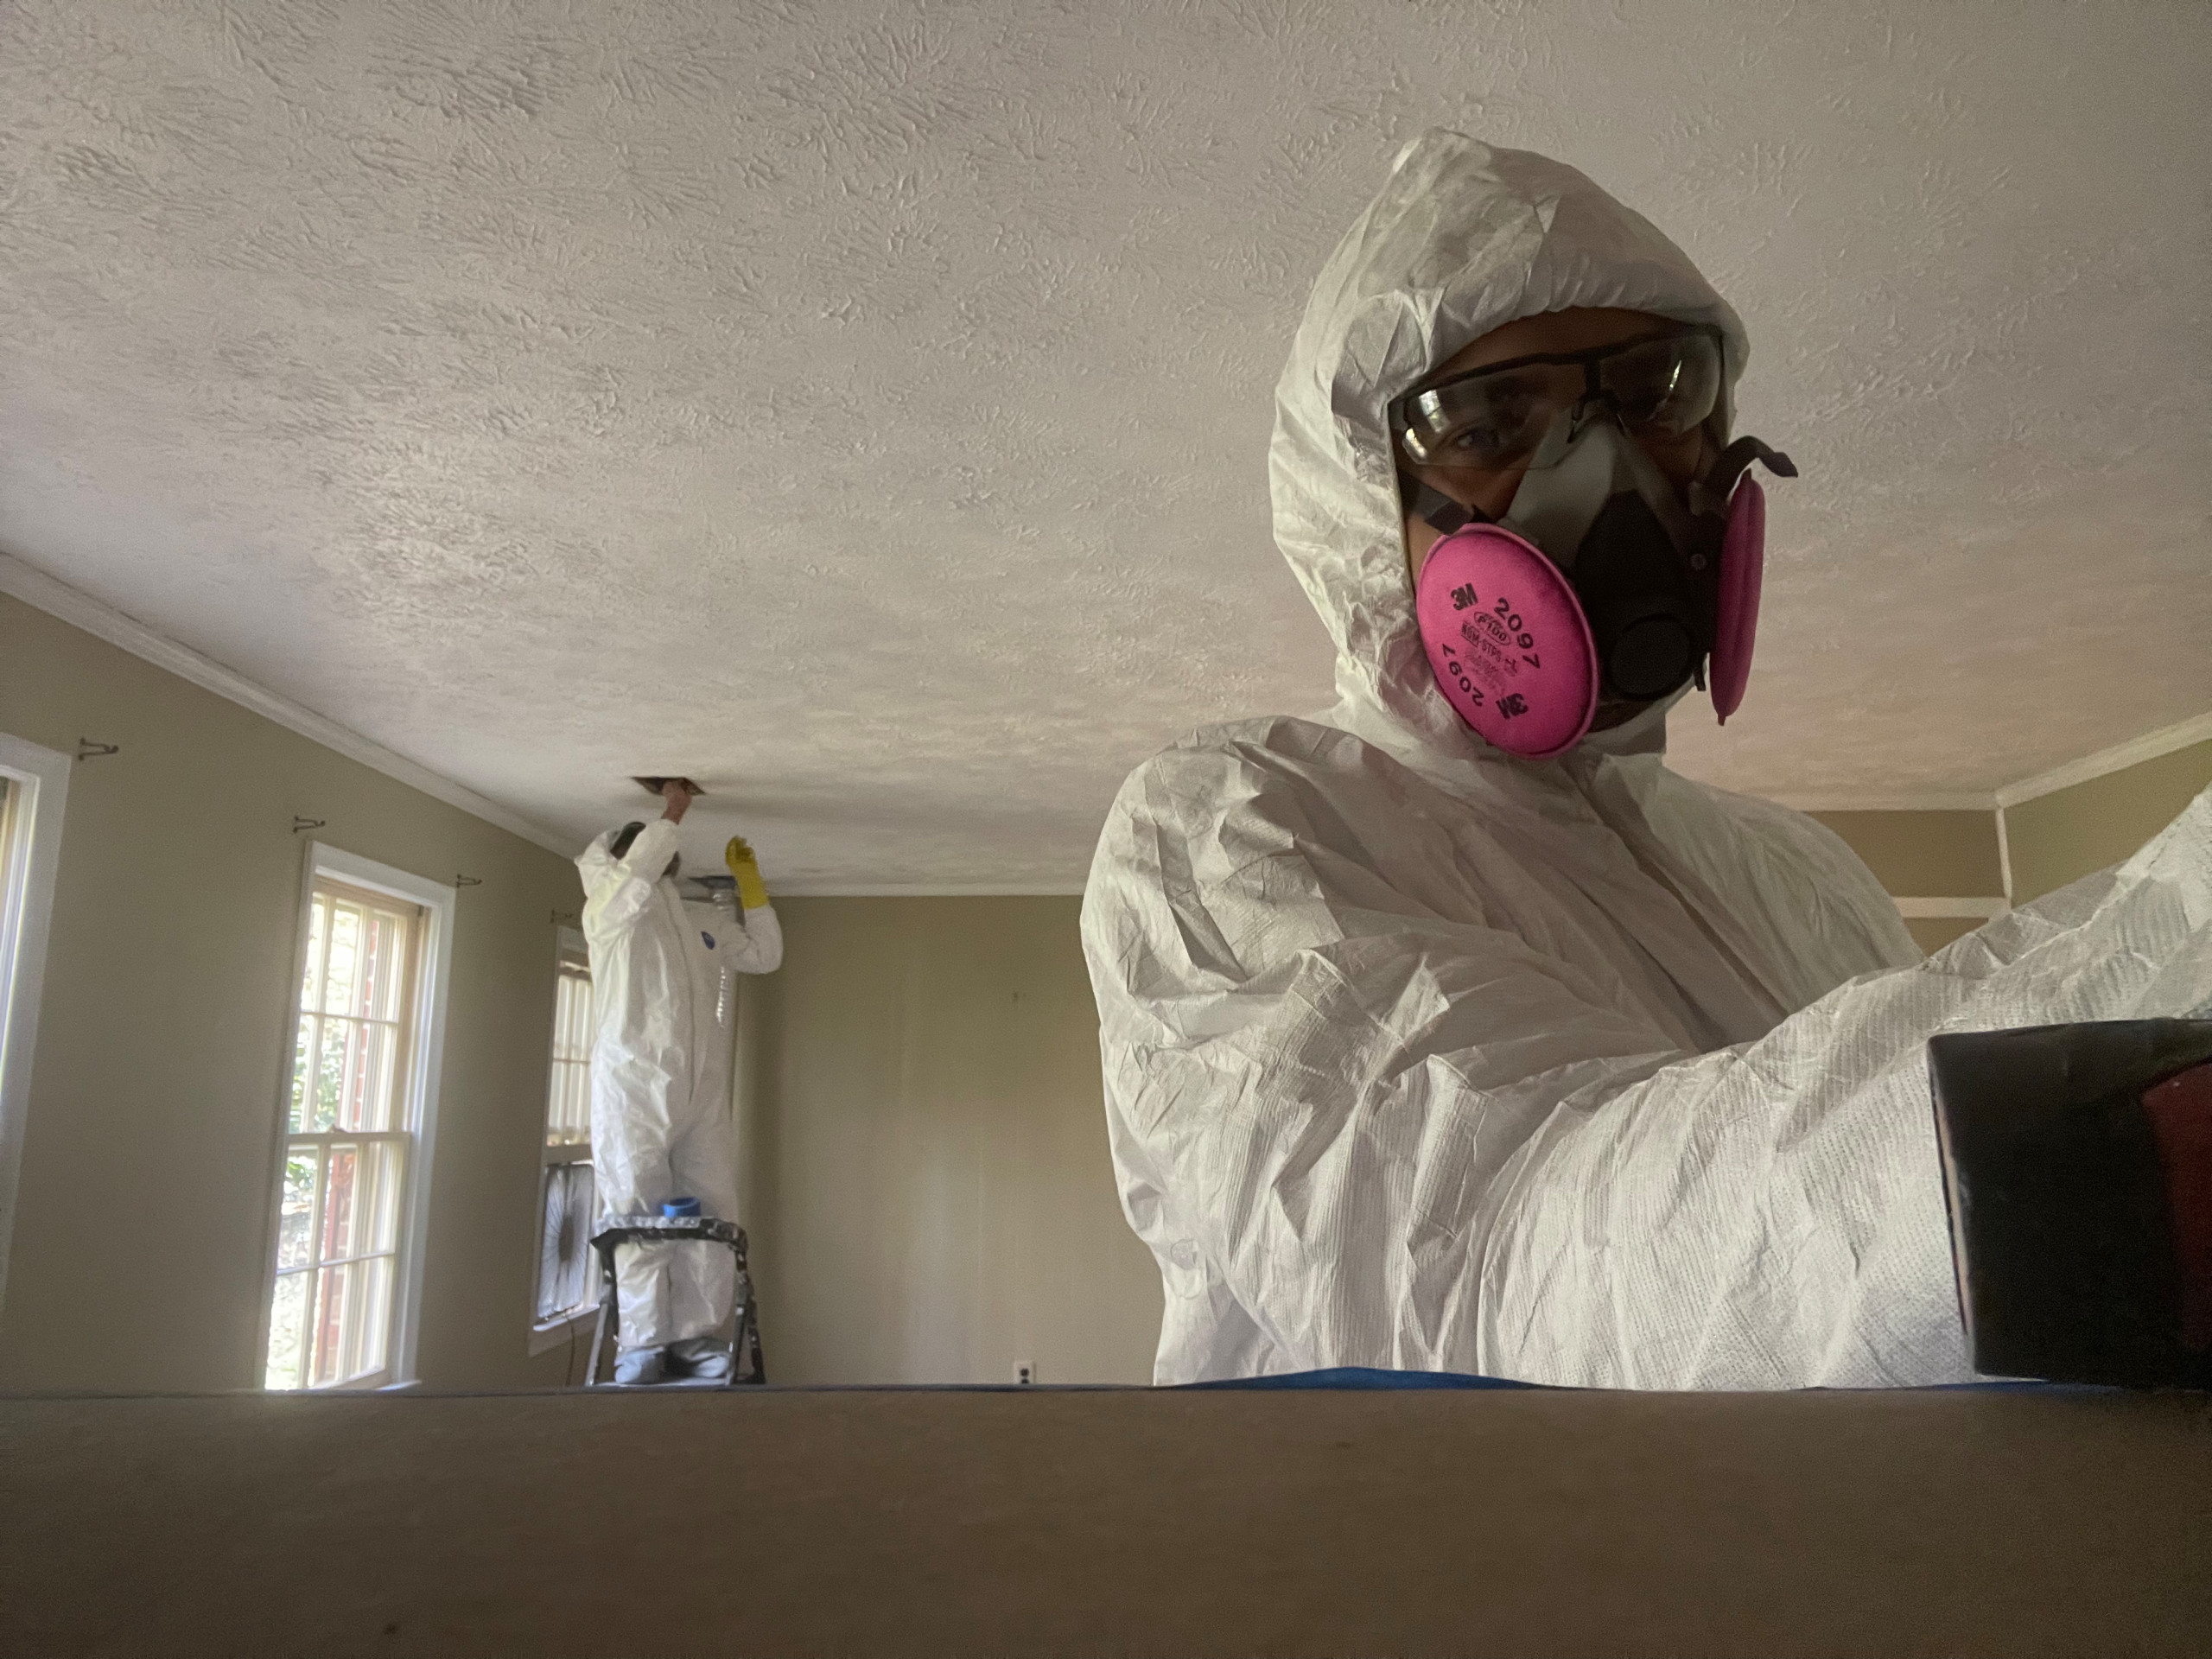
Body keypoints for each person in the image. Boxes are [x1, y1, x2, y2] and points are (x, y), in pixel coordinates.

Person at [1080, 131, 2212, 1389]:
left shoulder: (1805, 875)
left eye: (1660, 388)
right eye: (1493, 420)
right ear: (1361, 501)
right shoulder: (1236, 829)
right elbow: (1503, 1284)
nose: (1612, 470)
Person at [576, 779, 782, 1384]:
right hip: (633, 1089)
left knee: (711, 1211)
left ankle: (694, 1336)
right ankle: (642, 1344)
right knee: (639, 1214)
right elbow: (634, 879)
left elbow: (765, 957)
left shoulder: (697, 926)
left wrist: (752, 891)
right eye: (645, 850)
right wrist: (670, 813)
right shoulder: (608, 916)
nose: (659, 855)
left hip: (701, 1091)